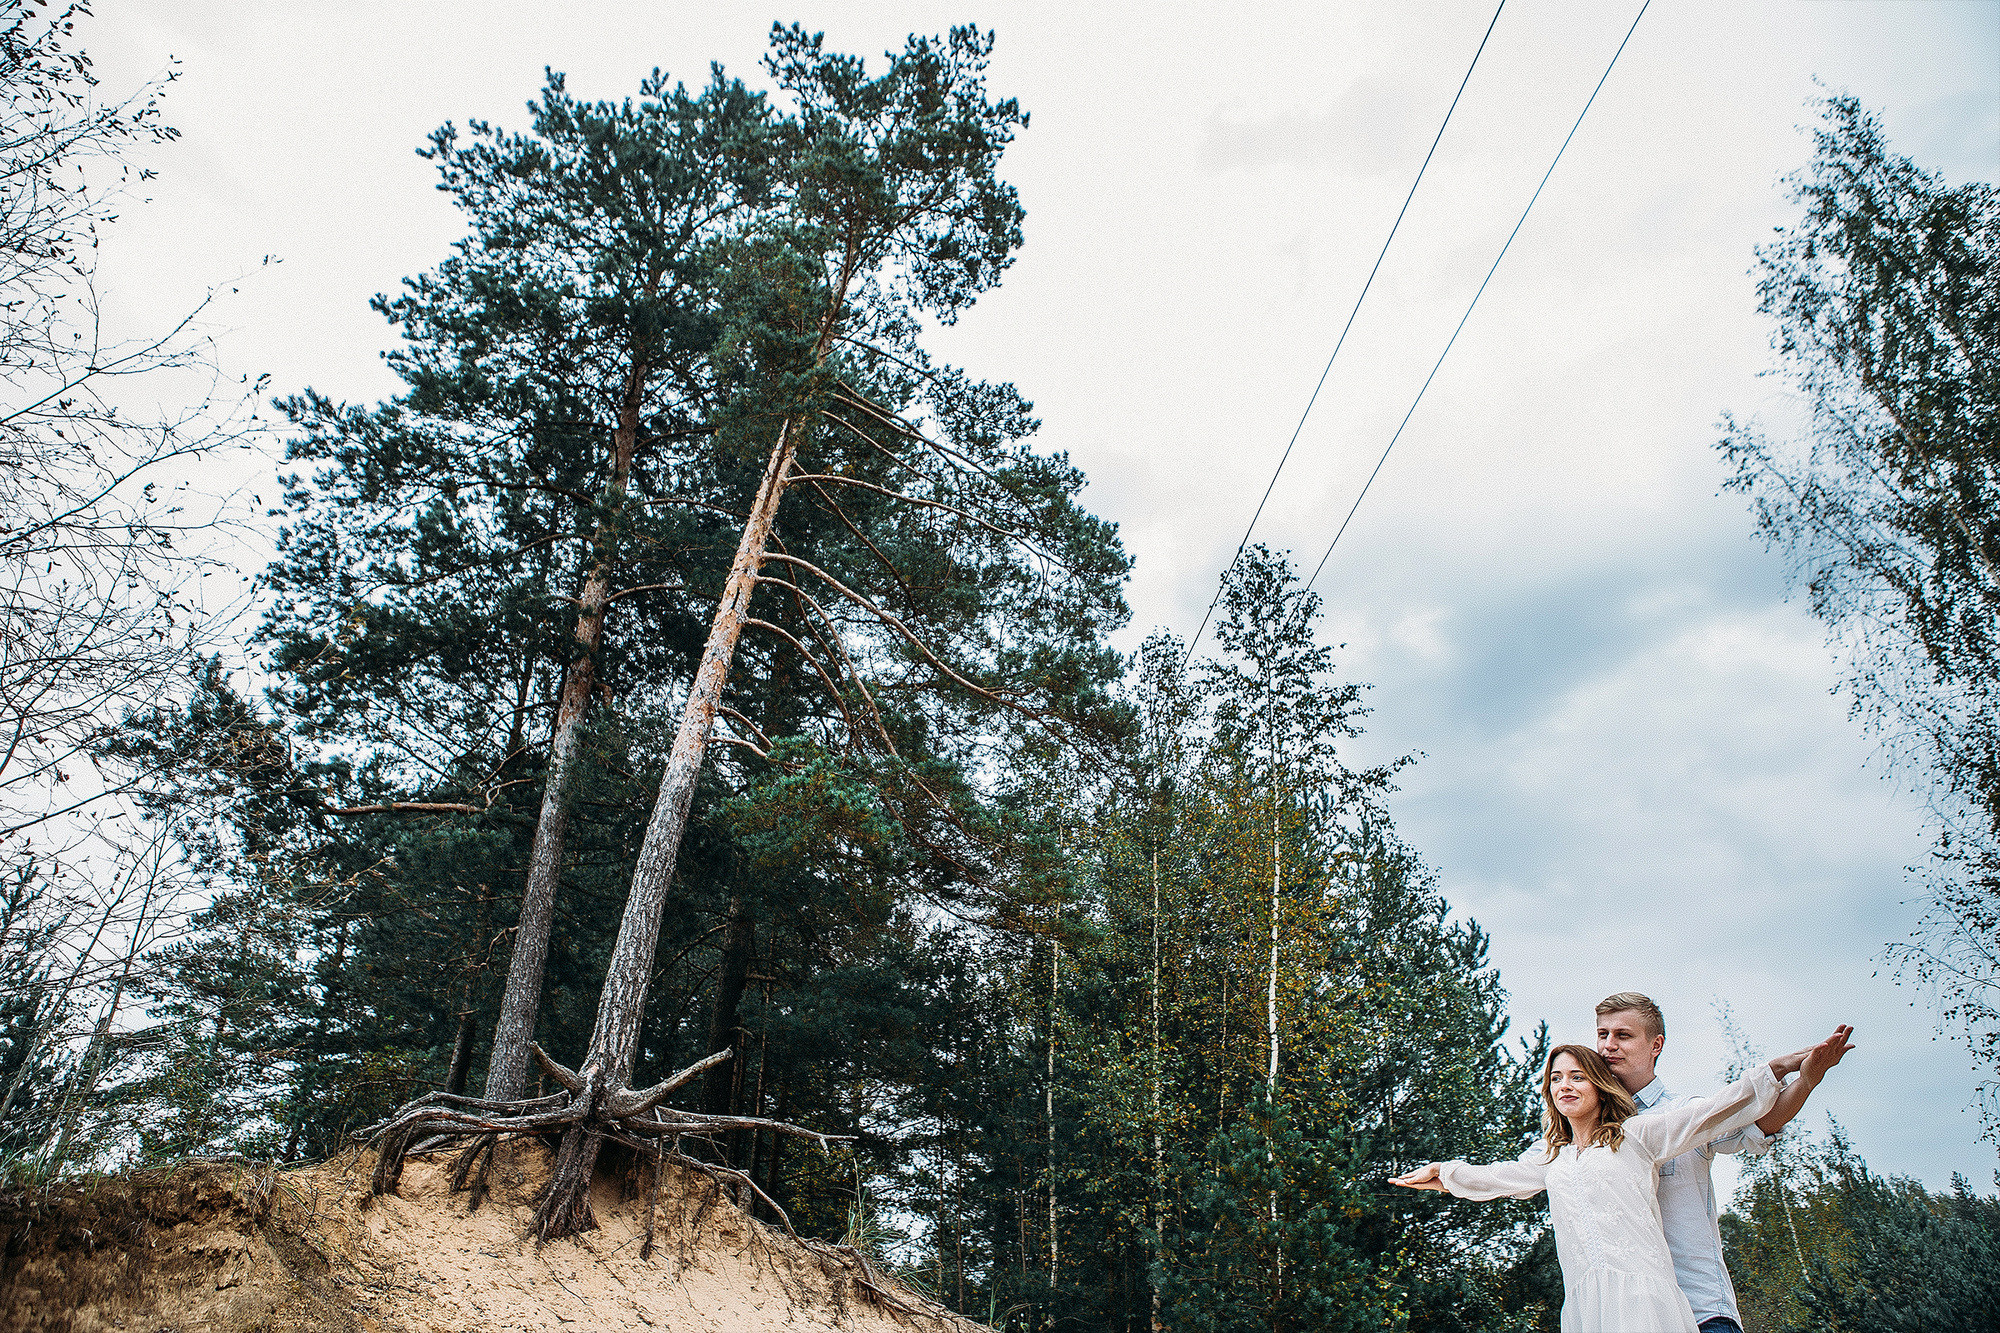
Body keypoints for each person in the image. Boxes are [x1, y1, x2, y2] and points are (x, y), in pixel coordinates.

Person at [1389, 1026, 1854, 1333]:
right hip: (1588, 1308)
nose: (1565, 1086)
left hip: (1646, 1300)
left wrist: (1784, 1068)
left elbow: (1713, 1110)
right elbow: (1497, 1178)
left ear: (1599, 1086)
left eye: (1577, 1077)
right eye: (1555, 1079)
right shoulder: (1551, 1159)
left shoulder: (1637, 1136)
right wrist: (1445, 1175)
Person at [1596, 992, 1851, 1333]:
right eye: (1603, 1034)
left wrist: (1806, 1080)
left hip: (1700, 1311)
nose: (1608, 1045)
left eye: (1622, 1035)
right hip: (1631, 1318)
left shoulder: (1688, 1111)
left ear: (1655, 1045)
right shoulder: (1592, 1129)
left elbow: (1761, 1124)